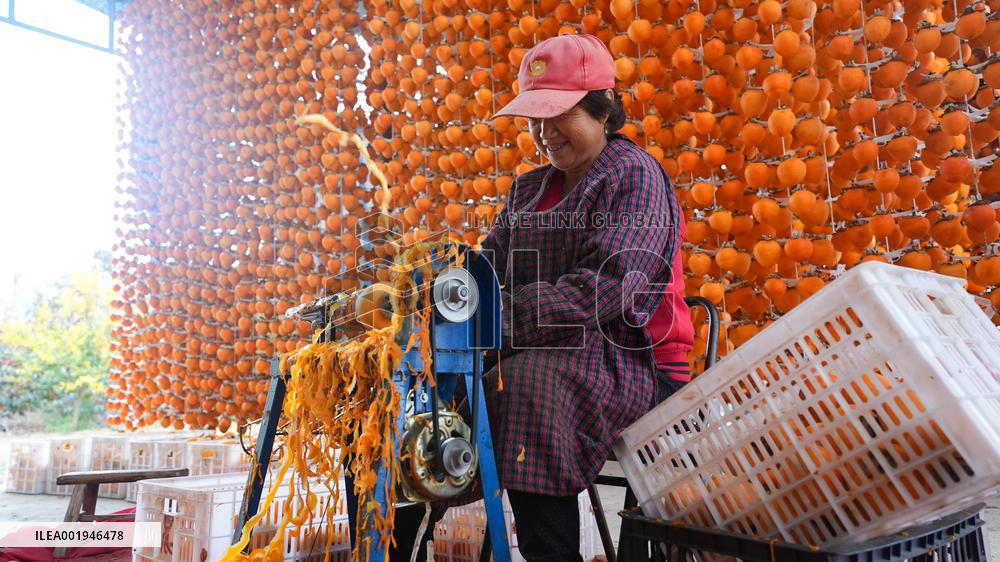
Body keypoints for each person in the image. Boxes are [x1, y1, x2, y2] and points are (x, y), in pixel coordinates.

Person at [475, 33, 694, 559]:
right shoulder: (528, 189)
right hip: (554, 351)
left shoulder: (634, 175)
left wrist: (501, 319)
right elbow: (490, 264)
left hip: (637, 362)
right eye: (534, 117)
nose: (543, 133)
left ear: (603, 110)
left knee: (529, 385)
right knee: (428, 391)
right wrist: (449, 286)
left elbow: (609, 285)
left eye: (558, 115)